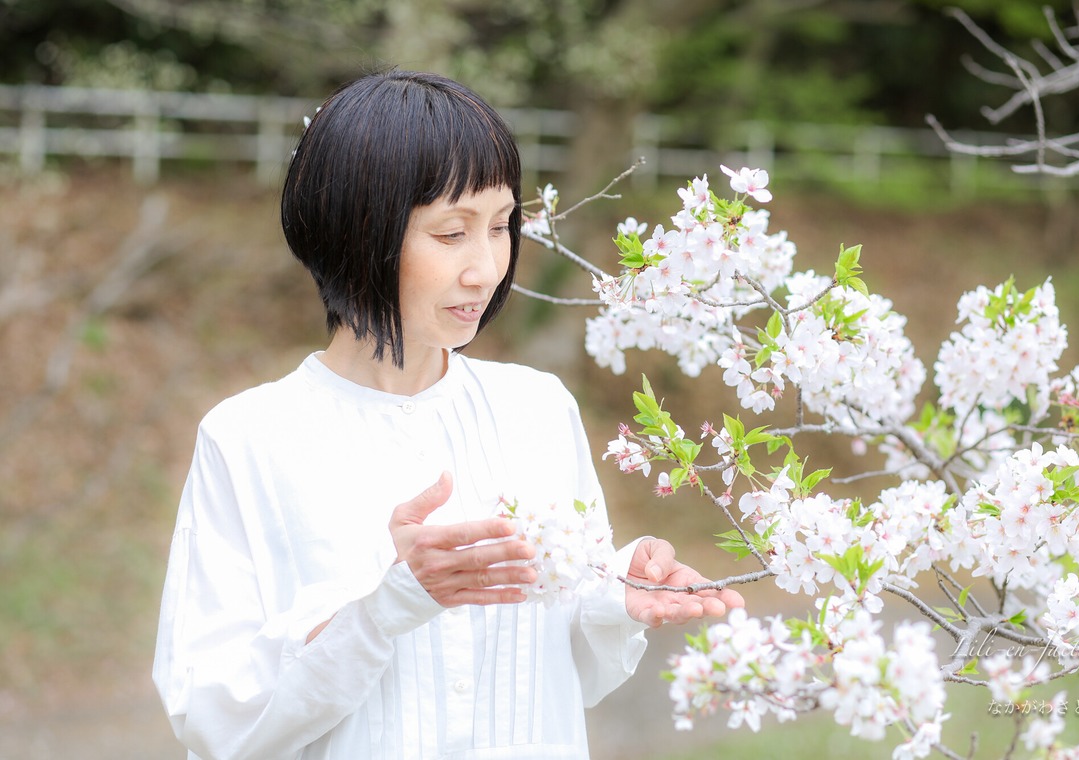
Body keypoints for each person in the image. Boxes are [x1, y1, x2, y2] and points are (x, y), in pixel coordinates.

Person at [153, 68, 744, 760]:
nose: (487, 267)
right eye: (451, 233)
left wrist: (620, 596)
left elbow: (575, 673)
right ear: (357, 232)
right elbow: (214, 714)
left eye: (500, 227)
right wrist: (384, 609)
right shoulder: (251, 439)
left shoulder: (537, 410)